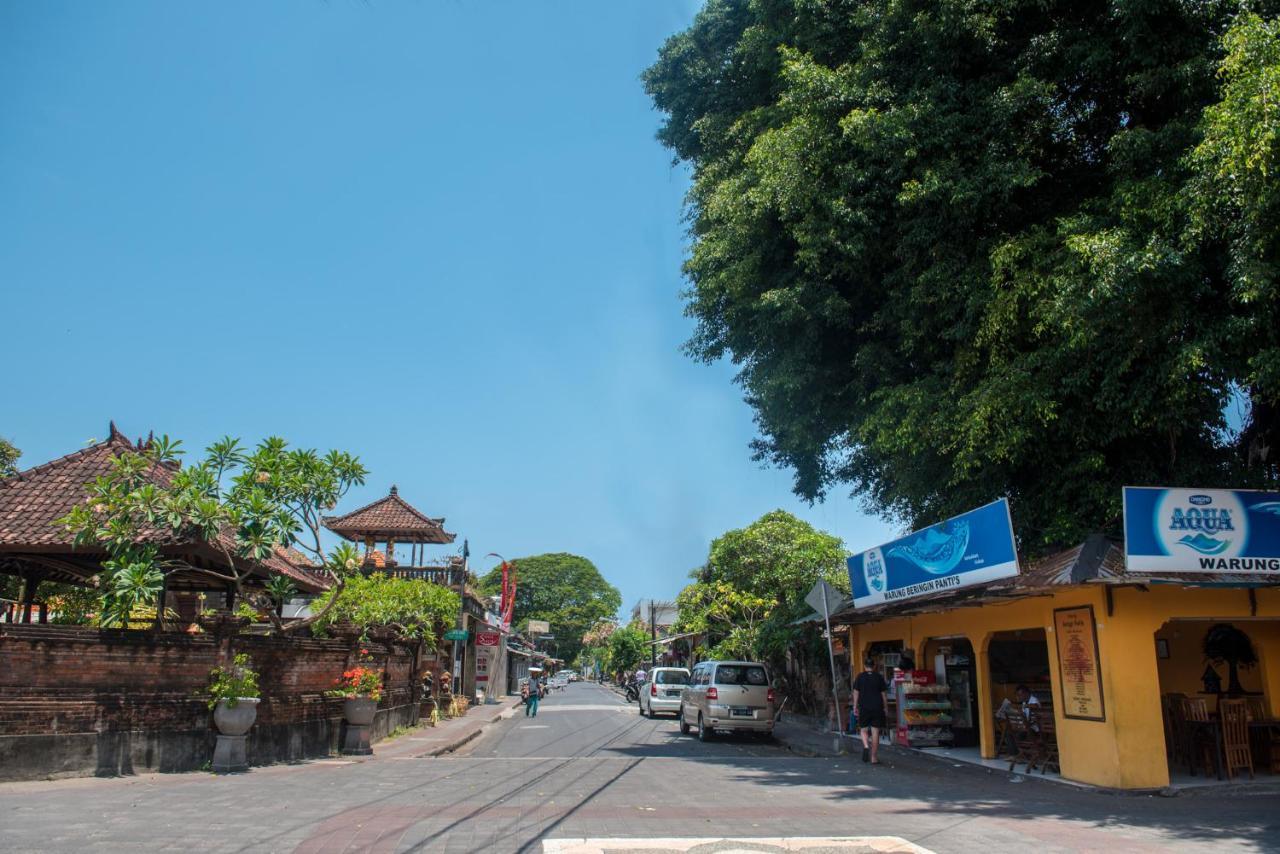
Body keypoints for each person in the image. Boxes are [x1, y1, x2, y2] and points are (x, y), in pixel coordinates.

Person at [852, 656, 890, 765]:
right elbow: (884, 695)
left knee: (863, 730)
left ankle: (866, 746)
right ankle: (874, 757)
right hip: (877, 707)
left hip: (864, 707)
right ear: (874, 666)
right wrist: (885, 707)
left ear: (864, 666)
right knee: (875, 732)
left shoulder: (860, 677)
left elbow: (856, 693)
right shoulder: (879, 677)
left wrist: (855, 706)